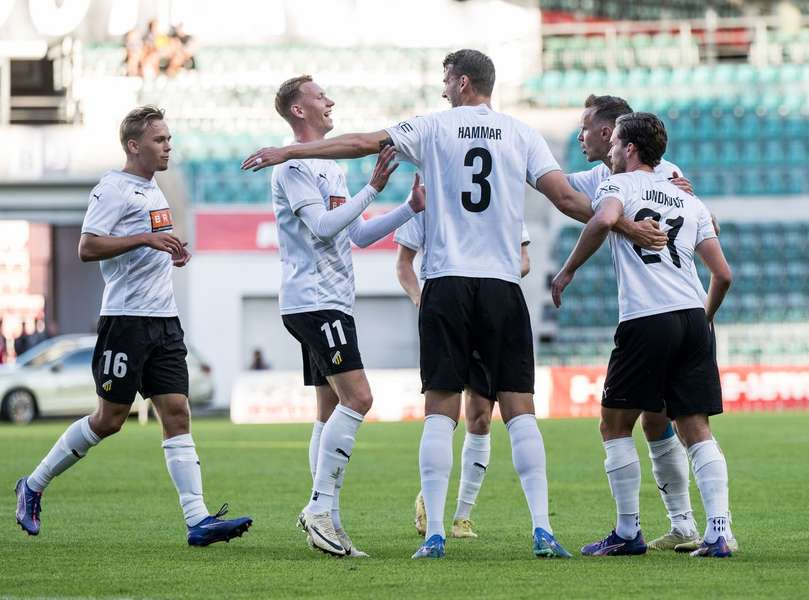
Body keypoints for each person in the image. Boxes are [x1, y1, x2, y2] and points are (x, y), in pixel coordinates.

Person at [242, 48, 668, 560]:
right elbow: (570, 201)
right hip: (502, 284)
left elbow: (362, 143)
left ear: (464, 83)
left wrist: (290, 152)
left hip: (445, 283)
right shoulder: (520, 133)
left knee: (440, 412)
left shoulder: (432, 128)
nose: (443, 88)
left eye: (447, 80)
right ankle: (542, 530)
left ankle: (438, 533)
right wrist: (627, 221)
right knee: (520, 410)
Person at [15, 106, 252, 546]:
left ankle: (197, 520)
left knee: (178, 414)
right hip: (126, 322)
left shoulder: (153, 188)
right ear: (133, 145)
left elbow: (148, 242)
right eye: (160, 140)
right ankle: (33, 484)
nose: (168, 146)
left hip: (164, 322)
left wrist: (170, 250)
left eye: (168, 139)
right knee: (109, 420)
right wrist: (145, 238)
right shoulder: (112, 188)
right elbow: (88, 247)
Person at [551, 112, 735, 558]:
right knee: (695, 427)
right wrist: (704, 319)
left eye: (614, 145)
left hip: (646, 318)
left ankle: (627, 530)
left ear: (629, 149)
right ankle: (718, 532)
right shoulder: (688, 200)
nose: (610, 153)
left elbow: (601, 221)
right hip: (693, 315)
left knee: (614, 424)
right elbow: (723, 274)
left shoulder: (619, 185)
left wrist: (567, 270)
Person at [269, 75, 424, 557]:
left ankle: (327, 518)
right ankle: (318, 509)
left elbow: (354, 235)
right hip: (314, 302)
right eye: (319, 96)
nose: (330, 100)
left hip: (328, 299)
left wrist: (407, 207)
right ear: (299, 111)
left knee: (330, 409)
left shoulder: (329, 168)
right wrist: (373, 187)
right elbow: (320, 228)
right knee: (359, 398)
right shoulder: (293, 167)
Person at [396, 211, 532, 539]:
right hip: (450, 310)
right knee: (444, 412)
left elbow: (524, 259)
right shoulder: (428, 198)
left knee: (481, 416)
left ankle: (462, 515)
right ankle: (430, 498)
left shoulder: (501, 191)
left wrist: (492, 284)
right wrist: (420, 298)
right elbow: (404, 263)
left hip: (488, 311)